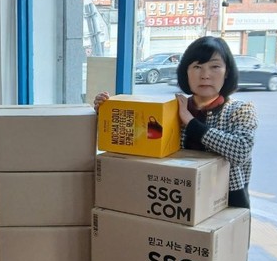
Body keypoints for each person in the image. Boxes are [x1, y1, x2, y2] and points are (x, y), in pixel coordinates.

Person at [94, 36, 258, 209]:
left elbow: (241, 151)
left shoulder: (240, 110)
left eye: (215, 66)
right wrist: (106, 111)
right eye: (197, 67)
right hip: (174, 200)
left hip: (226, 203)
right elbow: (139, 139)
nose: (205, 75)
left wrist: (190, 122)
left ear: (227, 72)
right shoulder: (171, 108)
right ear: (186, 73)